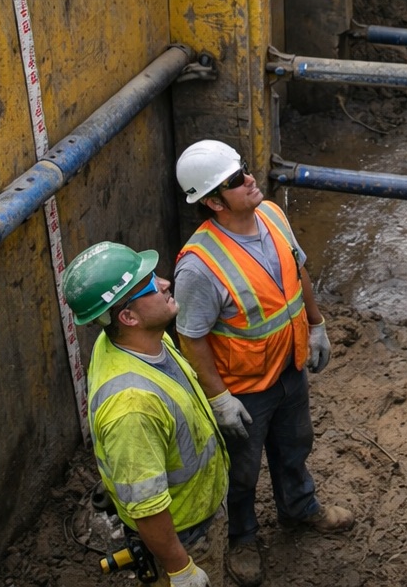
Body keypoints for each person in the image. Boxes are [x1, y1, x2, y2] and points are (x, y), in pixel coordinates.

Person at [172, 140, 353, 586]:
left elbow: (299, 269)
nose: (249, 179)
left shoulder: (271, 214)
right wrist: (218, 398)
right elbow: (190, 337)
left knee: (296, 445)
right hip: (245, 388)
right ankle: (243, 537)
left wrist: (316, 324)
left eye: (245, 170)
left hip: (289, 367)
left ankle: (300, 508)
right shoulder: (198, 267)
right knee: (242, 471)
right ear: (213, 202)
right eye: (235, 181)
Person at [63, 241, 230, 587]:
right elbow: (147, 506)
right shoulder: (132, 409)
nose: (167, 282)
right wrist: (180, 567)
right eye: (153, 284)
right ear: (128, 316)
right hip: (184, 533)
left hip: (196, 512)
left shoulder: (135, 340)